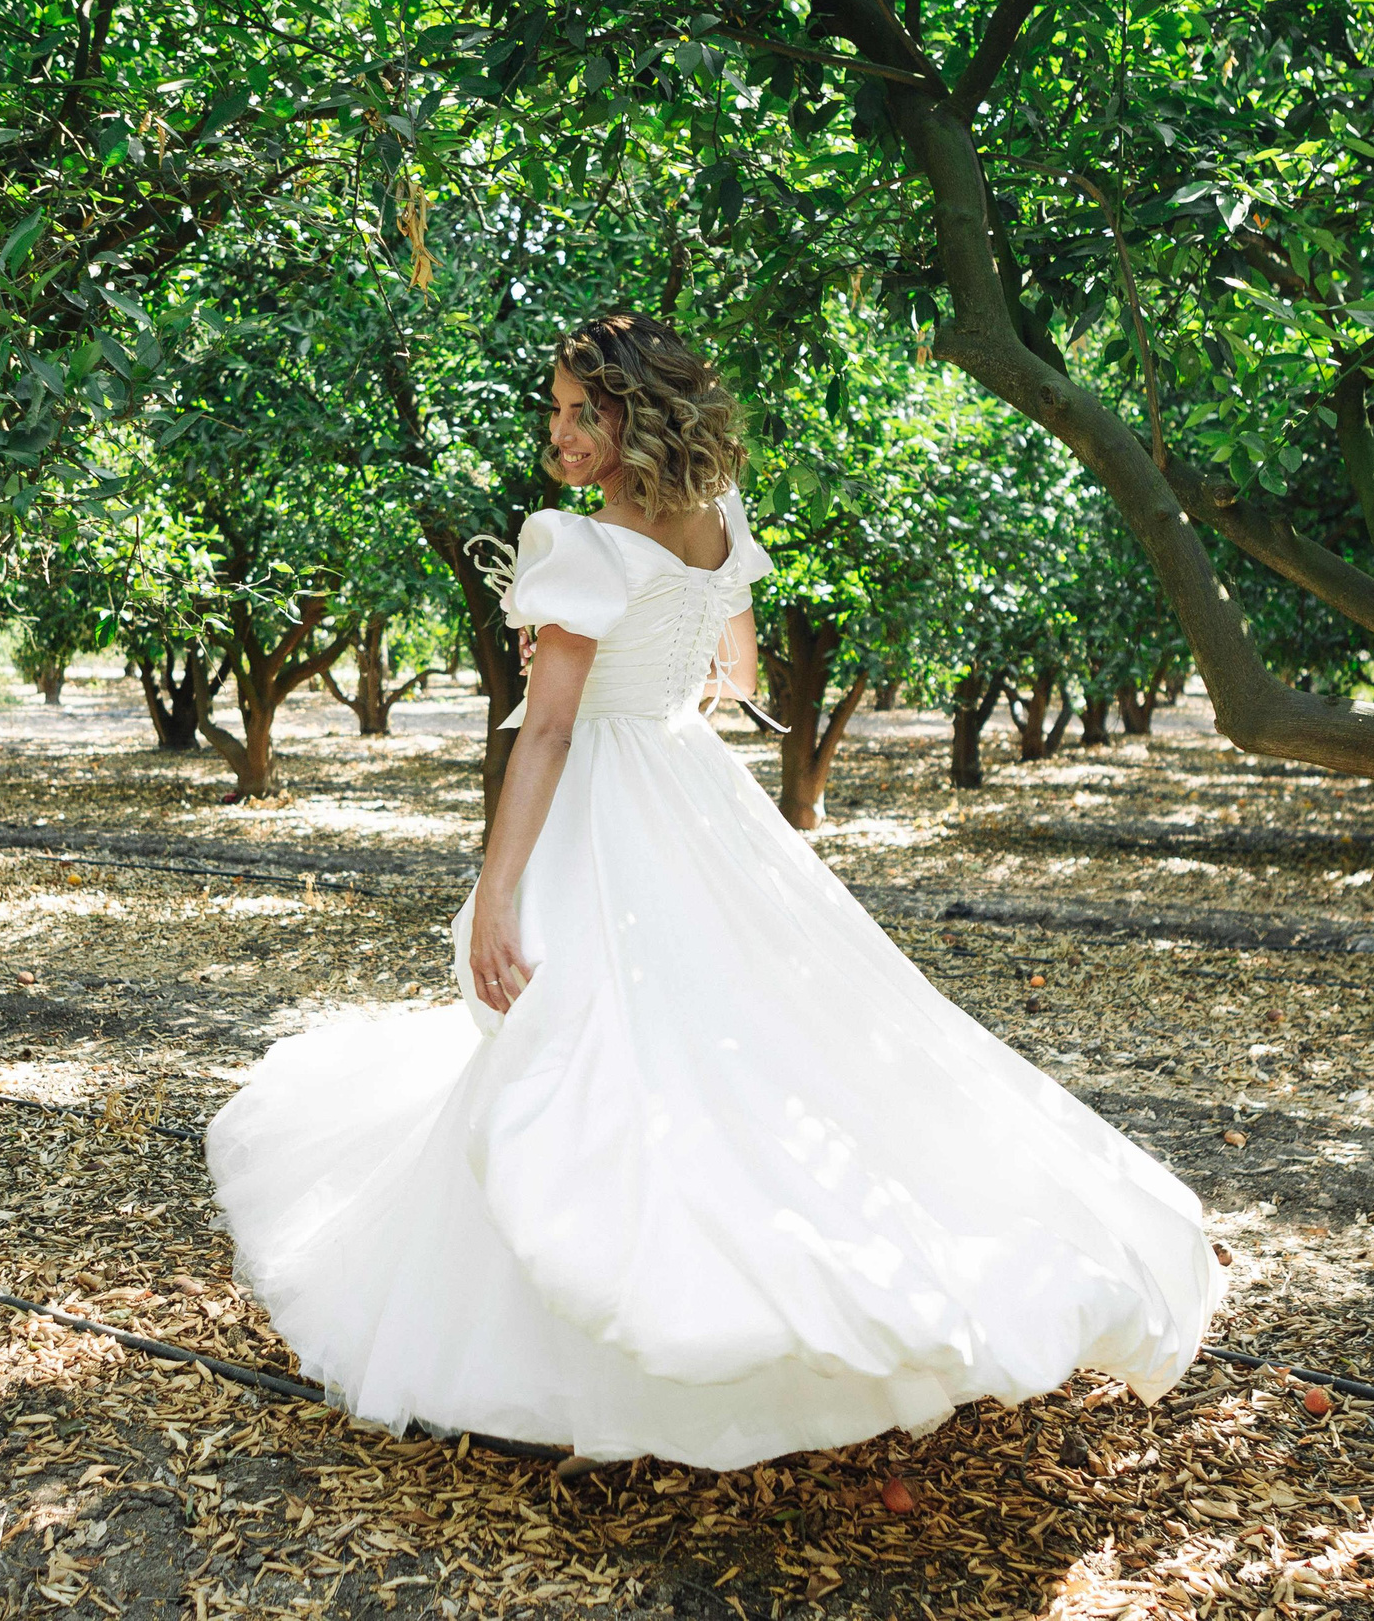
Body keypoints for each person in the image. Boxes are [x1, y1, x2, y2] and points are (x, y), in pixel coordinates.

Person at [203, 313, 1222, 1473]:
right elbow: (736, 667)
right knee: (716, 1036)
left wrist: (495, 890)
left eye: (587, 411)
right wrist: (676, 701)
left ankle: (589, 1335)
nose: (563, 434)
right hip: (689, 785)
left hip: (600, 789)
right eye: (555, 411)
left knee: (577, 1033)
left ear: (643, 411)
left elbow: (542, 734)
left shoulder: (579, 544)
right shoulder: (717, 514)